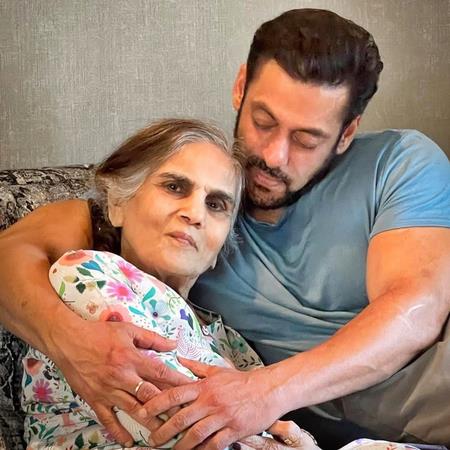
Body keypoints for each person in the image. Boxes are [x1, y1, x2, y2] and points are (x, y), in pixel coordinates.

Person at [0, 7, 448, 449]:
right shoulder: (169, 228)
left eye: (305, 140)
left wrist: (263, 394)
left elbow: (416, 307)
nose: (272, 156)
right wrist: (71, 342)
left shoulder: (397, 162)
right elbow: (11, 257)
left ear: (347, 133)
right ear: (240, 87)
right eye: (263, 122)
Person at [19, 118, 316, 449]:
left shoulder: (227, 340)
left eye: (216, 204)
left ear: (221, 246)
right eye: (175, 187)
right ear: (117, 204)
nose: (195, 214)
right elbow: (186, 430)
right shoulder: (87, 277)